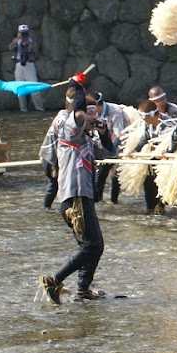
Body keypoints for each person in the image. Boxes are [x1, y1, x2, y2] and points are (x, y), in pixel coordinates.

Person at [40, 108, 109, 304]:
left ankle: (82, 289)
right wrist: (78, 88)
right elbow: (76, 116)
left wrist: (104, 133)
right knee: (92, 245)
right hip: (74, 197)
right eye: (90, 113)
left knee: (94, 246)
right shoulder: (70, 133)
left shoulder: (88, 140)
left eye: (96, 113)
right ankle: (54, 280)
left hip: (85, 196)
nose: (93, 117)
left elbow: (109, 151)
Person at [9, 25, 41, 112]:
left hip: (29, 64)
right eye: (22, 33)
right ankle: (23, 109)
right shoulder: (16, 41)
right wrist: (16, 41)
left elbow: (36, 52)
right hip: (19, 64)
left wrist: (29, 46)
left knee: (34, 87)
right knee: (20, 88)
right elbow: (10, 48)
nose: (24, 35)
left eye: (25, 33)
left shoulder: (32, 41)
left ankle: (39, 109)